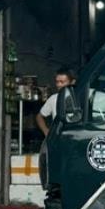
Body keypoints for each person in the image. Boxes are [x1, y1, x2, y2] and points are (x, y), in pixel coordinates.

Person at [34, 67, 75, 197]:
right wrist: (47, 132)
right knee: (57, 183)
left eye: (63, 82)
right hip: (58, 144)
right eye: (57, 82)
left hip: (75, 142)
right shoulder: (53, 99)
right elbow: (39, 116)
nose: (59, 85)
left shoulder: (79, 97)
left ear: (72, 82)